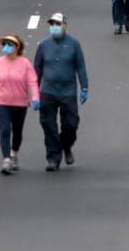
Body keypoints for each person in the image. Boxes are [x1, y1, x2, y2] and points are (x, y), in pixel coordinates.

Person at [32, 12, 89, 170]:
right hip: (48, 91)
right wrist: (34, 93)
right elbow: (36, 70)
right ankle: (53, 158)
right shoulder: (43, 45)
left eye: (57, 24)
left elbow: (81, 66)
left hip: (68, 91)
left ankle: (66, 146)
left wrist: (84, 87)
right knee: (48, 125)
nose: (54, 27)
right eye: (52, 24)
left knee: (71, 125)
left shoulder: (74, 44)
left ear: (65, 25)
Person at [0, 34, 38, 172]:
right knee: (5, 129)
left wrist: (35, 97)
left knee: (17, 131)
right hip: (2, 102)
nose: (6, 47)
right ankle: (6, 159)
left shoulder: (25, 64)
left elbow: (32, 82)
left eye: (9, 44)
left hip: (20, 103)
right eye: (4, 44)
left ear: (17, 47)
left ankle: (14, 154)